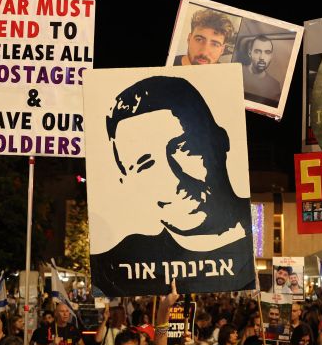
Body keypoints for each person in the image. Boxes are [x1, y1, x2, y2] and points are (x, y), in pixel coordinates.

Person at [90, 76, 254, 297]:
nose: (173, 180)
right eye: (144, 165)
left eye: (183, 148)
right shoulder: (114, 267)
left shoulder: (260, 260)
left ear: (220, 140)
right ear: (126, 181)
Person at [242, 35, 283, 107]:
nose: (262, 57)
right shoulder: (237, 71)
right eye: (257, 52)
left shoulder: (274, 85)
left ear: (271, 56)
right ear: (250, 53)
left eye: (267, 52)